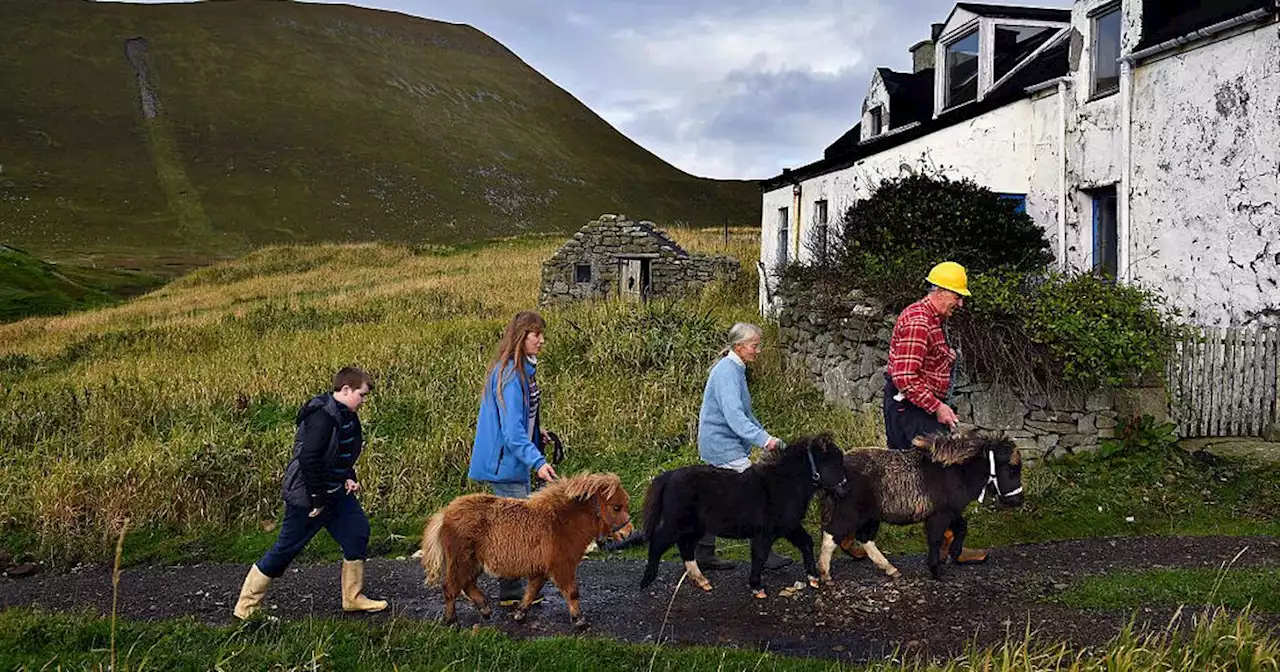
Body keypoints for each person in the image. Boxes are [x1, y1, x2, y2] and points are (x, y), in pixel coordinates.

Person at [233, 367, 387, 619]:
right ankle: (246, 607)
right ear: (345, 390)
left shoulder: (348, 415)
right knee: (286, 549)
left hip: (336, 493)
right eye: (361, 395)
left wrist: (349, 476)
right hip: (308, 496)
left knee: (357, 532)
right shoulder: (321, 417)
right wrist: (316, 498)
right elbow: (309, 458)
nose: (363, 401)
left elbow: (343, 453)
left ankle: (353, 598)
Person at [881, 260, 987, 564]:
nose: (961, 303)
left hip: (913, 406)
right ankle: (948, 547)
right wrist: (937, 406)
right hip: (911, 409)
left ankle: (947, 543)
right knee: (939, 476)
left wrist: (945, 356)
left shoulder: (930, 319)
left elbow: (918, 361)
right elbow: (905, 377)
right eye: (957, 296)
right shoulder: (919, 321)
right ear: (940, 291)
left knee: (936, 476)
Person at [468, 310, 559, 606]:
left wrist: (537, 434)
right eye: (536, 335)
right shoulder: (511, 375)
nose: (541, 340)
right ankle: (509, 592)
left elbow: (521, 421)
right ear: (522, 337)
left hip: (512, 459)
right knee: (516, 528)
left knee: (512, 527)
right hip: (506, 463)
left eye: (542, 334)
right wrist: (538, 462)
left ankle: (511, 590)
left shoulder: (520, 370)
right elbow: (511, 432)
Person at [694, 322, 792, 572]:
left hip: (719, 443)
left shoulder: (735, 368)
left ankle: (703, 553)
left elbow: (746, 414)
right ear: (739, 346)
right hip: (722, 446)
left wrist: (765, 437)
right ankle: (763, 553)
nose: (757, 350)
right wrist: (764, 440)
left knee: (714, 497)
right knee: (757, 494)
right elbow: (734, 416)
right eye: (754, 346)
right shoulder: (728, 372)